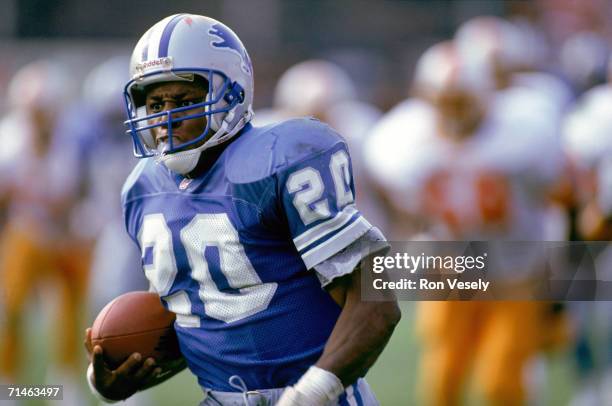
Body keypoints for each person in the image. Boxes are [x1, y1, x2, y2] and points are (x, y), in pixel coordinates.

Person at [84, 13, 400, 405]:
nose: (165, 118)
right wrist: (121, 371)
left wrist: (314, 390)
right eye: (154, 102)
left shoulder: (281, 158)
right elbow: (194, 318)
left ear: (232, 94)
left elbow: (375, 300)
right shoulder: (142, 188)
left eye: (183, 101)